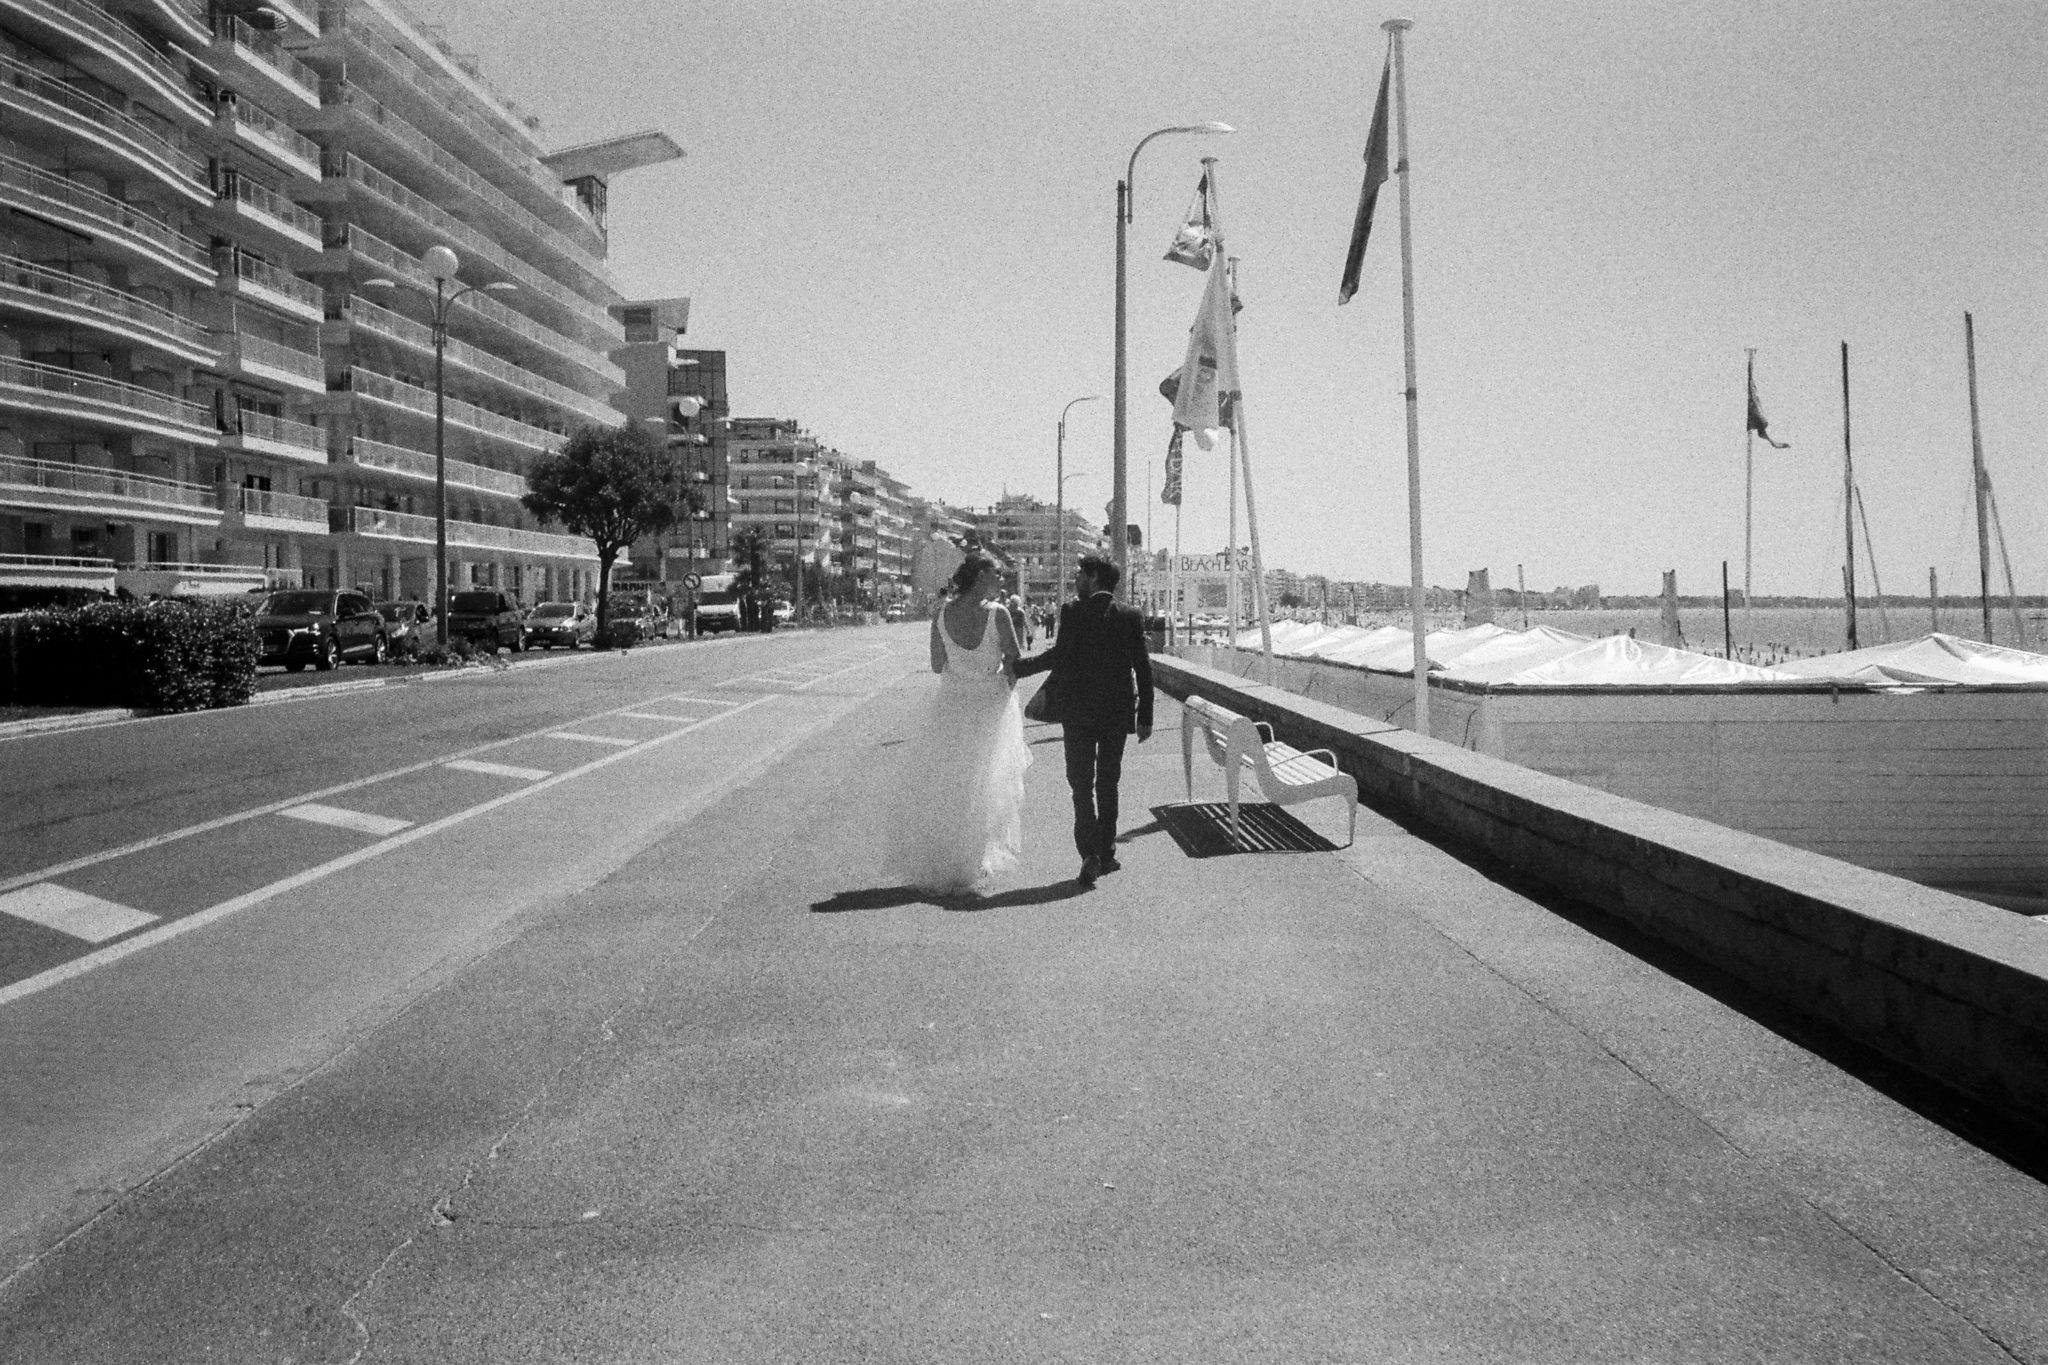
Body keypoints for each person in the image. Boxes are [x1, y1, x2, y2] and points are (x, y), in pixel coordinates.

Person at [882, 554, 1032, 894]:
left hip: (951, 704)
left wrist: (961, 669)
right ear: (980, 576)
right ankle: (973, 859)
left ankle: (948, 858)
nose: (1001, 578)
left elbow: (937, 665)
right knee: (987, 782)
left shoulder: (942, 614)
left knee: (951, 781)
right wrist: (1002, 686)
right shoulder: (999, 614)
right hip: (990, 704)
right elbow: (1014, 660)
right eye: (996, 572)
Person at [1014, 554, 1154, 887]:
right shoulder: (1131, 616)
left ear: (1093, 578)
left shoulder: (1074, 612)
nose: (1076, 579)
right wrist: (1145, 716)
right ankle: (1106, 853)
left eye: (1080, 574)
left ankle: (1089, 853)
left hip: (1077, 714)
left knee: (1080, 785)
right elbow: (1144, 669)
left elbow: (1059, 657)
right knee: (1108, 784)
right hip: (1117, 715)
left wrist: (1020, 668)